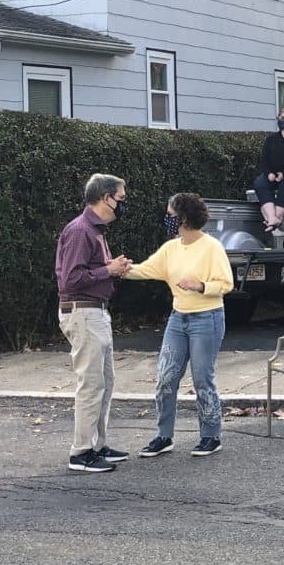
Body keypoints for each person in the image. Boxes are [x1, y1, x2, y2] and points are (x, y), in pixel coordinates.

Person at [123, 193, 234, 458]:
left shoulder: (211, 247)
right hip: (177, 318)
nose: (167, 220)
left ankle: (211, 435)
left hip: (207, 318)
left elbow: (226, 283)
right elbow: (148, 269)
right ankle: (164, 435)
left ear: (184, 218)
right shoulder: (171, 248)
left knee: (202, 378)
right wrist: (120, 269)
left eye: (170, 215)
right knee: (166, 377)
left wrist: (200, 286)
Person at [55, 173, 133, 473]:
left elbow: (89, 270)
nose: (123, 204)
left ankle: (97, 445)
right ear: (105, 198)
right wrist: (108, 271)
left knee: (104, 382)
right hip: (83, 312)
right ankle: (81, 451)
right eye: (121, 199)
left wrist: (112, 269)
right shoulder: (81, 231)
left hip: (95, 312)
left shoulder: (95, 231)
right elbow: (70, 279)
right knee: (91, 383)